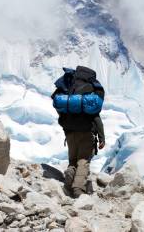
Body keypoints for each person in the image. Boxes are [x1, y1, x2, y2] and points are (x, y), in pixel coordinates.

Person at [52, 66, 106, 198]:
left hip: (70, 133)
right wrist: (102, 137)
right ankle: (78, 189)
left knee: (73, 160)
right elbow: (96, 117)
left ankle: (70, 176)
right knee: (83, 160)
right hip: (87, 133)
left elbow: (62, 112)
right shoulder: (90, 92)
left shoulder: (69, 89)